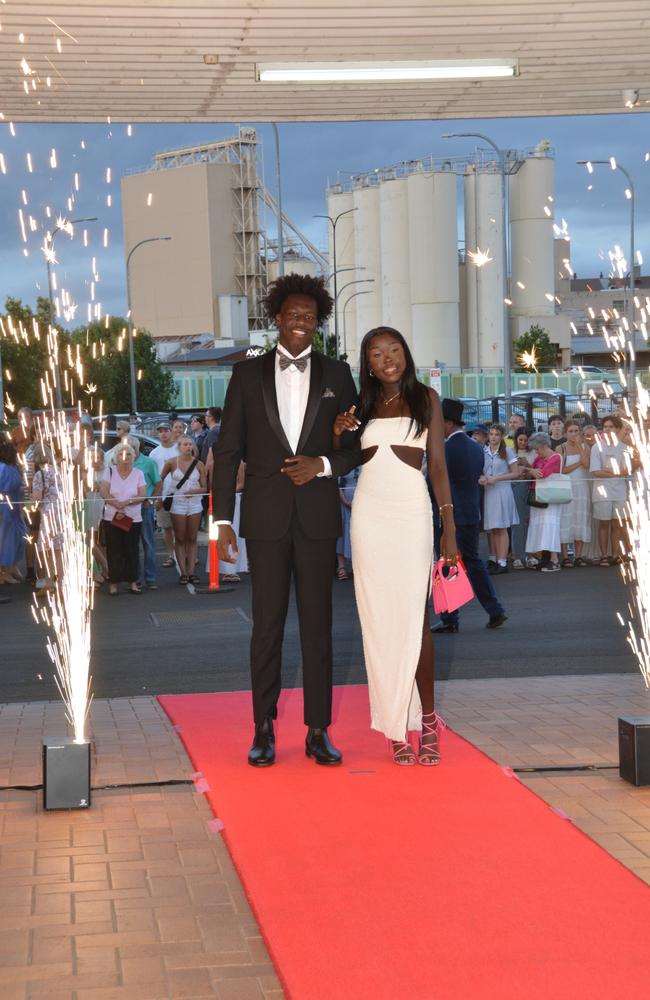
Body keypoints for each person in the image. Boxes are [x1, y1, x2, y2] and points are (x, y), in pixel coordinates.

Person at [214, 273, 360, 768]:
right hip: (264, 518)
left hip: (318, 517)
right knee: (267, 628)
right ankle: (263, 729)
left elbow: (354, 448)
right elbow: (228, 450)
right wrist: (220, 523)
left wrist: (322, 463)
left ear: (318, 324)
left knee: (319, 627)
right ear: (276, 318)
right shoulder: (246, 375)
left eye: (310, 318)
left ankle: (318, 730)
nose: (301, 323)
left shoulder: (338, 375)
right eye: (293, 315)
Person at [335, 327, 458, 767]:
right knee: (378, 621)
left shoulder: (426, 398)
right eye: (376, 353)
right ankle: (393, 723)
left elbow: (438, 467)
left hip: (411, 514)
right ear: (367, 362)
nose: (387, 358)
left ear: (405, 353)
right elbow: (344, 458)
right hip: (369, 515)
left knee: (414, 621)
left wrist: (449, 529)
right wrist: (338, 433)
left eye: (394, 350)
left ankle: (426, 721)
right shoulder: (361, 404)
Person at [432, 399, 507, 635]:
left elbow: (434, 481)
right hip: (470, 511)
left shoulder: (445, 449)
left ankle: (450, 617)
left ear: (447, 422)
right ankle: (494, 609)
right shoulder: (476, 448)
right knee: (473, 562)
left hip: (449, 515)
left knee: (447, 565)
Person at [99, 442, 146, 595]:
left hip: (133, 518)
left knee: (132, 550)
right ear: (116, 457)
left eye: (128, 454)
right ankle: (114, 583)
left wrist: (127, 503)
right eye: (121, 454)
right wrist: (116, 504)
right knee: (114, 550)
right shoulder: (109, 471)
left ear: (133, 457)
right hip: (112, 516)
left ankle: (133, 582)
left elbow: (142, 495)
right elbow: (104, 491)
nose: (125, 456)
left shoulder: (138, 473)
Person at [161, 435, 206, 585]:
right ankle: (183, 572)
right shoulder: (171, 462)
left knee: (192, 538)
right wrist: (159, 498)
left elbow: (205, 487)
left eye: (190, 444)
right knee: (180, 538)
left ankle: (192, 572)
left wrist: (195, 491)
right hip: (178, 503)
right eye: (185, 444)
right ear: (179, 447)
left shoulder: (199, 464)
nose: (188, 447)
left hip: (194, 503)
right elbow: (159, 480)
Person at [589, 415, 632, 566]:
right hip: (602, 492)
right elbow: (595, 471)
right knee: (604, 524)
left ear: (617, 429)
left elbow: (626, 470)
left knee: (617, 525)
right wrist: (615, 472)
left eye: (611, 427)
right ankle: (603, 555)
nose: (607, 429)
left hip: (620, 491)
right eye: (605, 427)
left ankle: (615, 554)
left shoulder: (624, 448)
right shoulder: (596, 447)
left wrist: (611, 471)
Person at [480, 423, 519, 575]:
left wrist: (497, 478)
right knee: (494, 528)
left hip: (502, 491)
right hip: (489, 492)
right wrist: (482, 477)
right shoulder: (484, 451)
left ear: (501, 436)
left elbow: (515, 473)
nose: (493, 437)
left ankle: (503, 562)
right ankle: (497, 559)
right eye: (491, 434)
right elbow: (480, 471)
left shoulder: (507, 451)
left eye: (497, 434)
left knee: (502, 527)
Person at [524, 432, 563, 572]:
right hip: (538, 497)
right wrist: (531, 470)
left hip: (550, 498)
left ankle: (554, 559)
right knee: (540, 528)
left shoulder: (556, 457)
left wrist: (531, 470)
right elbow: (531, 472)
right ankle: (545, 558)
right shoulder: (538, 458)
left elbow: (543, 474)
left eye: (538, 449)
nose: (536, 451)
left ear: (545, 446)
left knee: (549, 527)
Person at [129, 436, 161, 589]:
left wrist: (151, 500)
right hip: (127, 508)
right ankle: (135, 579)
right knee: (131, 544)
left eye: (129, 447)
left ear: (136, 448)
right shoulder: (122, 463)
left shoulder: (148, 462)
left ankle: (150, 578)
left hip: (144, 507)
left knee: (148, 542)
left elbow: (158, 483)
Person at [559, 420, 592, 567]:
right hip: (567, 487)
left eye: (576, 431)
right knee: (565, 520)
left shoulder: (584, 447)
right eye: (571, 431)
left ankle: (578, 556)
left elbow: (587, 464)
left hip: (582, 488)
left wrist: (579, 445)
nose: (574, 434)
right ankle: (566, 556)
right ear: (566, 433)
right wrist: (578, 462)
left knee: (580, 518)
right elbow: (562, 470)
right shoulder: (561, 448)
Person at [149, 422, 179, 568]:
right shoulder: (154, 453)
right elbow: (153, 477)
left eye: (166, 430)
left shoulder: (179, 450)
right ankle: (170, 555)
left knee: (181, 527)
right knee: (166, 527)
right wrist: (157, 497)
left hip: (178, 493)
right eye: (161, 431)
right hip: (162, 493)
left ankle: (184, 554)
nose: (164, 433)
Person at [0, 440, 26, 585]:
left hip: (13, 509)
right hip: (4, 509)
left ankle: (11, 568)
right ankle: (3, 573)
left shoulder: (13, 468)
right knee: (5, 541)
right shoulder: (3, 468)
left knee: (17, 539)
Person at [511, 428, 536, 569]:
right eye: (520, 439)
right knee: (518, 522)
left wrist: (527, 465)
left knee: (530, 522)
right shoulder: (510, 452)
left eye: (526, 440)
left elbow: (538, 469)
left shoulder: (533, 452)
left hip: (531, 487)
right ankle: (517, 556)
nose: (523, 442)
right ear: (516, 440)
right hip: (516, 488)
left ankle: (530, 555)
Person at [336, 467, 358, 581]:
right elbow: (337, 483)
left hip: (362, 500)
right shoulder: (344, 462)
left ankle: (358, 567)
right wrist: (345, 501)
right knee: (343, 531)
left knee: (360, 535)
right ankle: (341, 566)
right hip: (344, 499)